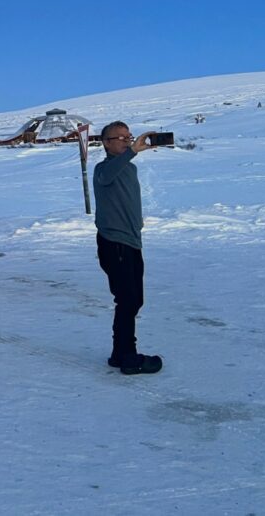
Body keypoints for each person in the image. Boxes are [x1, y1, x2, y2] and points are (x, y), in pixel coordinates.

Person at [93, 122, 163, 375]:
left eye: (128, 137)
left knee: (134, 299)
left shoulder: (129, 168)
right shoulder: (103, 169)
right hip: (114, 243)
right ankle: (128, 356)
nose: (126, 141)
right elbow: (107, 175)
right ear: (106, 143)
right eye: (120, 138)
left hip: (132, 242)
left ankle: (119, 353)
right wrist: (132, 151)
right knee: (127, 299)